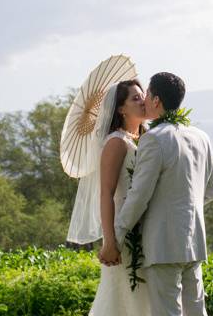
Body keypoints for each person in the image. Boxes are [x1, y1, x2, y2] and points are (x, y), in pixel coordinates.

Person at [114, 72, 213, 316]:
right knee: (196, 311)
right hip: (194, 241)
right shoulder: (202, 137)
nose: (145, 100)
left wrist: (116, 239)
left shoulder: (153, 139)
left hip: (162, 243)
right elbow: (212, 190)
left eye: (148, 94)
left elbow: (139, 196)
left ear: (156, 100)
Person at [67, 79, 151, 315]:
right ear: (121, 109)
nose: (143, 100)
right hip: (125, 234)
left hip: (147, 231)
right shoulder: (116, 142)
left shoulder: (145, 138)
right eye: (135, 98)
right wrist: (110, 241)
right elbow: (106, 193)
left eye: (142, 95)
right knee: (124, 300)